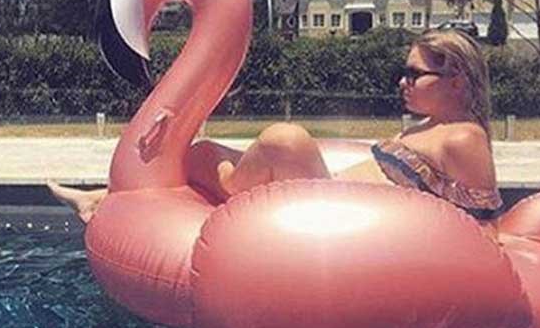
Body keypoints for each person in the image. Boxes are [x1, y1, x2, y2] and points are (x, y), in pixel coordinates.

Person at [49, 29, 502, 224]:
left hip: (334, 213)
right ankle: (105, 198)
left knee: (284, 139)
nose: (402, 82)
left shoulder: (465, 137)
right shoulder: (428, 127)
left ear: (456, 80)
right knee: (203, 151)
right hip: (330, 192)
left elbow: (483, 227)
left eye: (414, 74)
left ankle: (228, 185)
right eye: (404, 72)